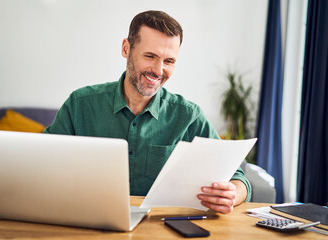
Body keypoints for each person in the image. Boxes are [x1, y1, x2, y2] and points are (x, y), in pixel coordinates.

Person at [44, 10, 251, 214]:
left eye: (169, 61)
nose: (159, 70)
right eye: (150, 56)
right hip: (88, 219)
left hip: (160, 229)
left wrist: (233, 193)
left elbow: (238, 177)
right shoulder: (80, 105)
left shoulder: (189, 116)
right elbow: (41, 162)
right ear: (126, 48)